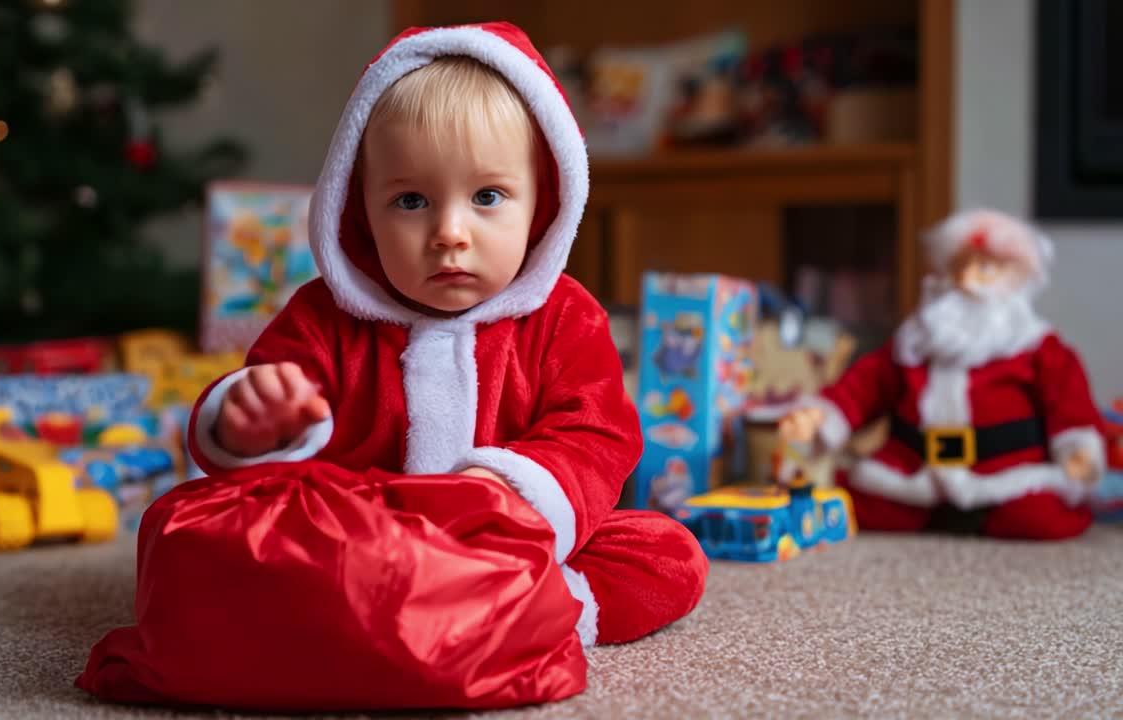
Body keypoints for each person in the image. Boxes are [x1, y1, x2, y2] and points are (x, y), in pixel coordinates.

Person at [188, 22, 707, 646]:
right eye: (411, 202)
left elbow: (598, 434)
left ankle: (539, 608)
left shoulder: (566, 318)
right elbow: (268, 419)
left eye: (487, 196)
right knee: (206, 536)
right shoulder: (323, 317)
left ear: (541, 205)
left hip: (511, 544)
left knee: (665, 553)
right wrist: (252, 420)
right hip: (360, 542)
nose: (450, 232)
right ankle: (423, 613)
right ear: (360, 210)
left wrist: (509, 491)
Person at [779, 209, 1104, 540]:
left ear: (1017, 278)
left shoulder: (1038, 345)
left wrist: (1078, 450)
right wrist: (820, 418)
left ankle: (980, 516)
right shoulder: (914, 341)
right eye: (958, 266)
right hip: (914, 470)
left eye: (986, 268)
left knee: (1039, 518)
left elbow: (1070, 404)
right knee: (852, 504)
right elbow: (864, 386)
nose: (967, 279)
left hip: (1006, 471)